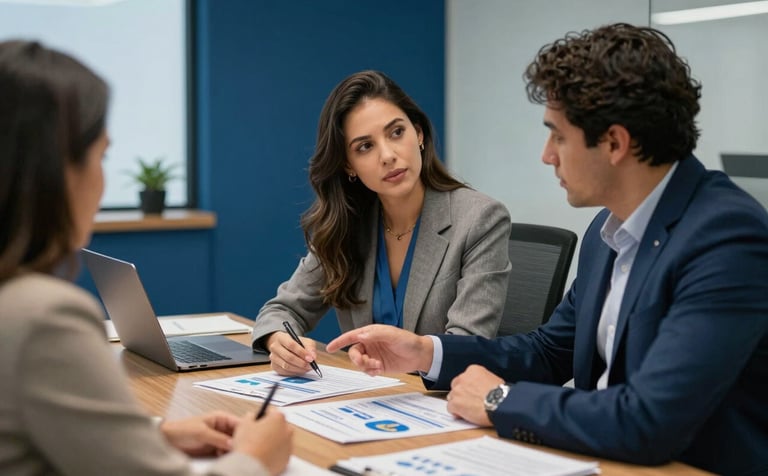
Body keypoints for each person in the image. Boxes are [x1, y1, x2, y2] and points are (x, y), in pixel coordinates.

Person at [326, 23, 768, 476]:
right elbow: (547, 353)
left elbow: (650, 420)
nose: (547, 155)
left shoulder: (726, 237)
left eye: (558, 135)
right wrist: (425, 352)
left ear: (614, 142)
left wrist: (500, 400)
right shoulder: (608, 230)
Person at [0, 40, 292, 476]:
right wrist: (257, 459)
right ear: (55, 169)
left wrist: (150, 438)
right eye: (102, 156)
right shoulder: (41, 317)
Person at [252, 70, 511, 376]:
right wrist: (279, 341)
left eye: (396, 132)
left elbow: (466, 349)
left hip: (440, 407)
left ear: (419, 134)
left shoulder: (480, 219)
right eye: (365, 146)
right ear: (348, 165)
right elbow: (281, 310)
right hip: (365, 405)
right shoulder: (348, 225)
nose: (388, 155)